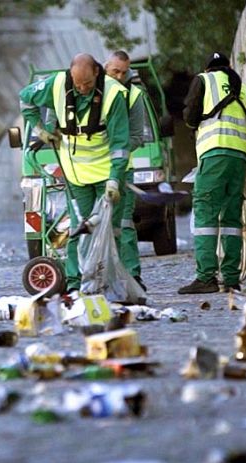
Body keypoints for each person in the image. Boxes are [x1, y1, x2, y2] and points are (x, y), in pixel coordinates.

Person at [19, 53, 130, 292]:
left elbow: (121, 144)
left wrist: (114, 180)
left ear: (97, 73)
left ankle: (108, 282)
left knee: (109, 228)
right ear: (70, 75)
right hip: (75, 173)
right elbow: (25, 99)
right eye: (77, 84)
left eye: (87, 84)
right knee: (78, 227)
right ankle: (75, 283)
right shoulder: (57, 84)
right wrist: (40, 131)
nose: (81, 89)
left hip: (105, 172)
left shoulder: (113, 95)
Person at [178, 52, 246, 294]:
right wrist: (243, 154)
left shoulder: (203, 80)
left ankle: (206, 277)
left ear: (207, 68)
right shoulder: (244, 91)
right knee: (231, 220)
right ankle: (232, 278)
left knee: (205, 213)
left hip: (214, 154)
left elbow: (190, 116)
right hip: (238, 159)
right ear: (228, 66)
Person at [104, 50, 146, 291]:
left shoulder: (132, 95)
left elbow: (137, 137)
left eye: (123, 72)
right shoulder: (91, 89)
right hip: (89, 170)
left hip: (121, 169)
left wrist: (113, 149)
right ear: (104, 68)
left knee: (125, 223)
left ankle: (131, 275)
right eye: (114, 71)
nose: (119, 76)